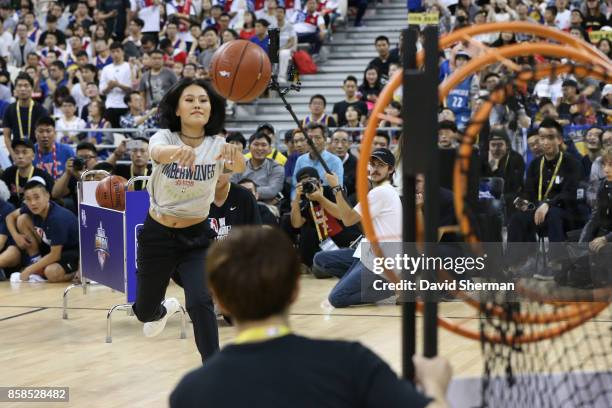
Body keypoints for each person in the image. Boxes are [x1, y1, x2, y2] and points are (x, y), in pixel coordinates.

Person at [170, 226, 452, 407]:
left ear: (217, 297)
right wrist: (434, 384)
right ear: (295, 290)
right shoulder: (352, 362)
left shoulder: (190, 392)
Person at [131, 78, 245, 363]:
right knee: (143, 311)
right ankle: (162, 310)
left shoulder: (217, 144)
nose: (197, 104)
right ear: (178, 109)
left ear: (211, 109)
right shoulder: (164, 138)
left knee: (200, 300)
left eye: (203, 100)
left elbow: (239, 166)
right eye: (190, 99)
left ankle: (215, 369)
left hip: (196, 237)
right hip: (157, 236)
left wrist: (235, 155)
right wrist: (177, 153)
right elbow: (156, 153)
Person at [311, 148, 402, 307]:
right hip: (367, 253)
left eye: (380, 165)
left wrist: (336, 188)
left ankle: (389, 289)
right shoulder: (379, 192)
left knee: (336, 299)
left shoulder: (380, 192)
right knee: (320, 259)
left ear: (391, 169)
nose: (374, 169)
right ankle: (367, 284)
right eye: (372, 164)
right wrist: (321, 198)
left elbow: (347, 220)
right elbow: (343, 214)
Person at [507, 118, 581, 279]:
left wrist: (549, 204)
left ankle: (556, 264)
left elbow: (570, 193)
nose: (545, 142)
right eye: (542, 137)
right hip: (539, 213)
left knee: (553, 213)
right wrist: (523, 201)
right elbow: (528, 191)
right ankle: (517, 263)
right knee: (517, 218)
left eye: (550, 137)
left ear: (559, 140)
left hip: (565, 213)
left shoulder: (572, 163)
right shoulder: (535, 164)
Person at [2, 177, 79, 283]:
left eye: (36, 197)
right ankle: (36, 260)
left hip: (71, 253)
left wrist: (29, 270)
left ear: (47, 196)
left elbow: (55, 255)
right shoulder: (32, 208)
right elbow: (9, 217)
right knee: (22, 219)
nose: (33, 203)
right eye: (28, 199)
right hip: (51, 246)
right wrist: (16, 236)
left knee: (51, 273)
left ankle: (78, 273)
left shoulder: (57, 218)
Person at [291, 166, 361, 270]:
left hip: (351, 240)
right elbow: (297, 223)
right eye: (304, 184)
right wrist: (296, 199)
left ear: (320, 181)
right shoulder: (304, 200)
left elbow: (341, 215)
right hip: (329, 245)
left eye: (311, 181)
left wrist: (320, 199)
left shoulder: (333, 191)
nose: (309, 186)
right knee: (318, 269)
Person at [291, 123, 344, 198]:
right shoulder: (300, 160)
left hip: (328, 201)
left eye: (317, 137)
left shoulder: (335, 161)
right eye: (309, 137)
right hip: (305, 201)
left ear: (325, 139)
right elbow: (295, 185)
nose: (313, 141)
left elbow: (338, 189)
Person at [230, 132, 284, 203]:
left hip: (266, 205)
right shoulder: (239, 165)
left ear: (270, 149)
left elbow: (272, 191)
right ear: (249, 147)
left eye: (263, 145)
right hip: (241, 204)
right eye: (256, 144)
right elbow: (231, 187)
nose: (259, 148)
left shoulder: (276, 167)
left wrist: (243, 190)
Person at [3, 73, 48, 156]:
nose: (23, 89)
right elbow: (6, 136)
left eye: (26, 85)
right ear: (15, 90)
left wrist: (35, 154)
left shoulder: (41, 110)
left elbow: (45, 135)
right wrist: (13, 155)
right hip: (16, 153)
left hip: (37, 153)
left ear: (32, 88)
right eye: (19, 86)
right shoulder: (9, 109)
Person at [1, 139, 54, 208]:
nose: (20, 156)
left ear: (33, 156)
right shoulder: (8, 173)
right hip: (11, 211)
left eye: (24, 152)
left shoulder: (43, 176)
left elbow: (52, 200)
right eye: (16, 153)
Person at [209, 173, 262, 241]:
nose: (215, 174)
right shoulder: (197, 198)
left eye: (220, 168)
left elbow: (256, 234)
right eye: (211, 169)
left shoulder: (245, 196)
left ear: (230, 172)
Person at [51, 142, 99, 211]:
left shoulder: (102, 173)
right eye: (80, 158)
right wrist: (67, 173)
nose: (84, 161)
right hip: (80, 216)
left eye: (87, 157)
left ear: (96, 159)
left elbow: (94, 198)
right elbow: (55, 194)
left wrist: (80, 177)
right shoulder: (74, 175)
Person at [99, 42, 133, 128]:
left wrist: (118, 85)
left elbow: (132, 89)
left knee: (126, 134)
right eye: (113, 52)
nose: (115, 54)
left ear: (123, 52)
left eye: (118, 51)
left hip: (126, 105)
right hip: (110, 105)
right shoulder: (106, 69)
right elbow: (102, 92)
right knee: (111, 133)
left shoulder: (129, 67)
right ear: (110, 53)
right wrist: (109, 87)